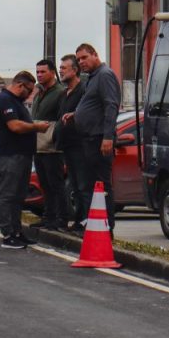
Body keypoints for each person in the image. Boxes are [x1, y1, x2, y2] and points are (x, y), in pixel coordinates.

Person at [0, 71, 50, 249]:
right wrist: (36, 127)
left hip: (23, 155)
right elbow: (14, 126)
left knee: (18, 196)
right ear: (19, 85)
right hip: (11, 155)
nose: (30, 94)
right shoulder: (5, 100)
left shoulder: (16, 102)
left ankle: (17, 231)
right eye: (29, 90)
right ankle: (8, 233)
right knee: (8, 195)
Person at [72, 43, 121, 231]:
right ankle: (95, 226)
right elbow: (93, 105)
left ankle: (106, 228)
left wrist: (108, 137)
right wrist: (76, 114)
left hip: (99, 139)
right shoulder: (92, 78)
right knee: (92, 185)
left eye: (84, 58)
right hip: (88, 138)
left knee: (102, 186)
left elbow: (111, 106)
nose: (81, 62)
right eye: (78, 60)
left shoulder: (104, 75)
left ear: (95, 55)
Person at [30, 59, 65, 231]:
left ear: (52, 72)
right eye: (37, 72)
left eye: (43, 72)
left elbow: (61, 120)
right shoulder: (39, 93)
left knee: (55, 184)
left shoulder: (60, 92)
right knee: (45, 184)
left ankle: (60, 218)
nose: (39, 75)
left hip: (52, 146)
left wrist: (54, 137)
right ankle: (48, 216)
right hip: (38, 146)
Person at [56, 54, 87, 232]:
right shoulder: (64, 94)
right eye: (60, 68)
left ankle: (85, 222)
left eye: (64, 68)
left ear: (75, 70)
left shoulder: (83, 90)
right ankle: (78, 221)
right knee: (74, 185)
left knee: (83, 185)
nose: (61, 71)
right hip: (66, 146)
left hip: (79, 145)